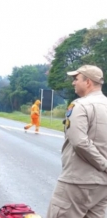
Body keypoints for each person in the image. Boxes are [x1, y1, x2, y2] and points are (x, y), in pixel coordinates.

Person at [46, 65, 107, 218]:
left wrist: (104, 165)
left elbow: (79, 142)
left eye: (76, 79)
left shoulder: (80, 106)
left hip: (77, 181)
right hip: (102, 185)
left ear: (88, 82)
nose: (73, 82)